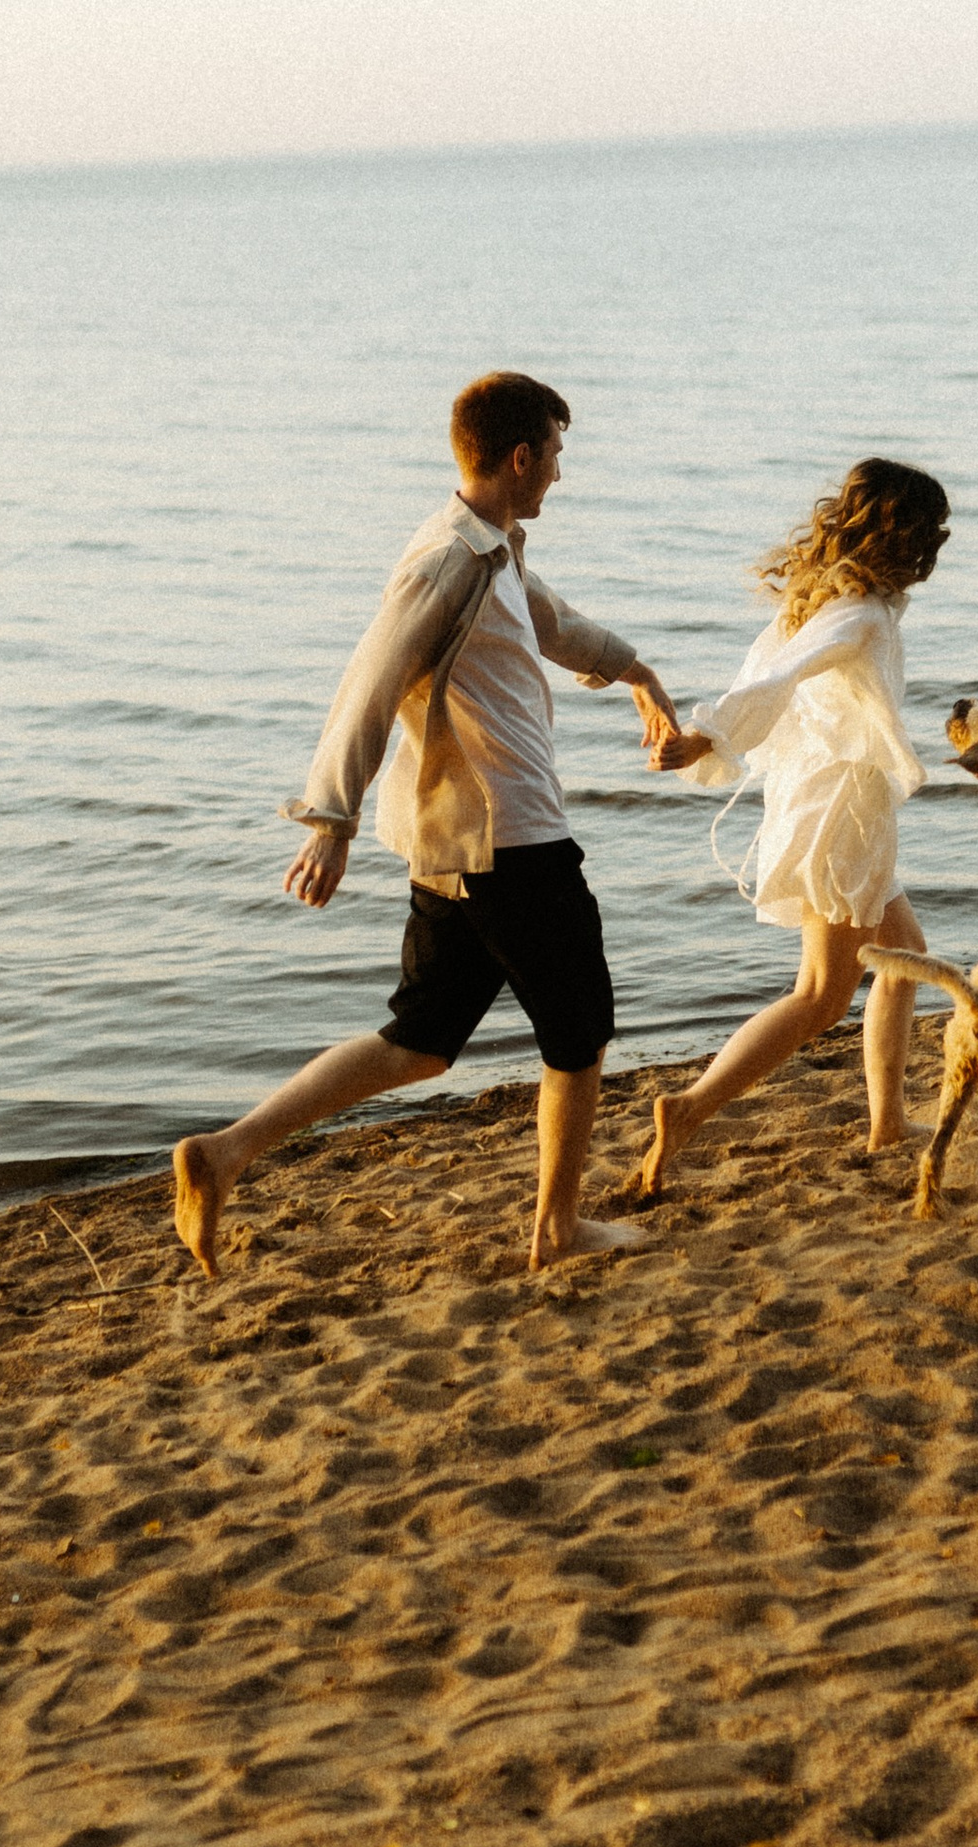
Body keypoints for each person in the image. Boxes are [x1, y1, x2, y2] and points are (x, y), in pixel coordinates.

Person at [170, 371, 688, 1275]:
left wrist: (635, 670)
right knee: (580, 1033)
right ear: (521, 456)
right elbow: (370, 680)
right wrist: (330, 816)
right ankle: (559, 1228)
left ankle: (227, 1152)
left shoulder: (489, 548)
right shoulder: (447, 559)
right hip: (512, 840)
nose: (561, 474)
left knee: (420, 1042)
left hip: (467, 844)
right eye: (557, 455)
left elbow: (552, 622)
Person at [630, 456, 950, 1198]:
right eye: (929, 534)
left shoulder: (828, 599)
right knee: (820, 995)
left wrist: (709, 733)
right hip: (838, 812)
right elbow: (772, 680)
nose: (935, 550)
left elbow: (765, 666)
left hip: (834, 802)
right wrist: (706, 736)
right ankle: (688, 1109)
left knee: (903, 959)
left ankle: (887, 1123)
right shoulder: (858, 613)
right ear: (902, 537)